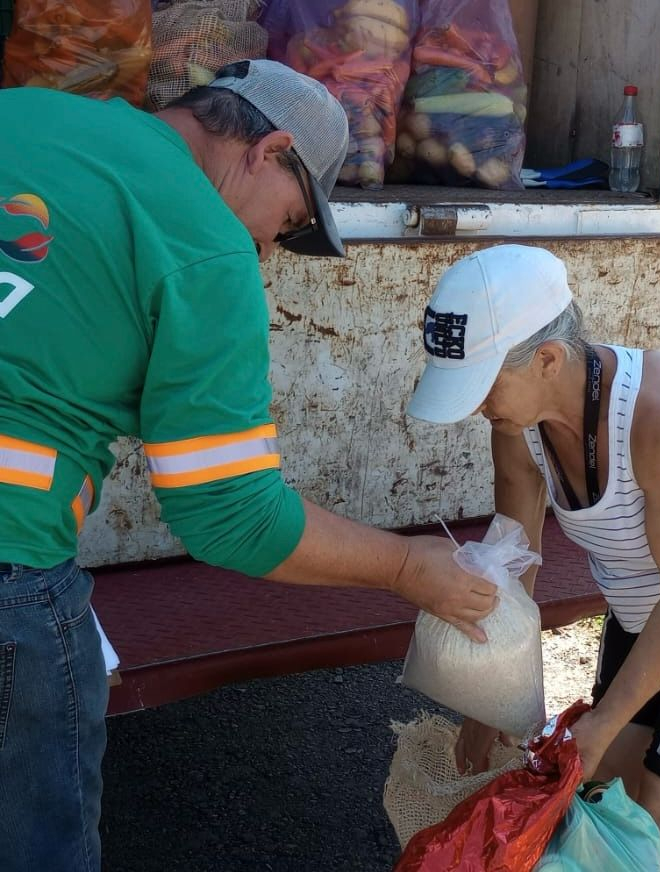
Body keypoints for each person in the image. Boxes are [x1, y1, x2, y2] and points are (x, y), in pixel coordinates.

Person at [0, 60, 497, 872]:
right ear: (269, 150)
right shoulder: (202, 242)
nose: (268, 249)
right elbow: (231, 515)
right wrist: (408, 565)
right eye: (292, 221)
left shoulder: (20, 114)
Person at [406, 244, 660, 872]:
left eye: (483, 384)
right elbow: (513, 564)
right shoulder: (517, 422)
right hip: (643, 614)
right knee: (605, 796)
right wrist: (485, 704)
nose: (476, 405)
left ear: (546, 358)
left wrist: (600, 724)